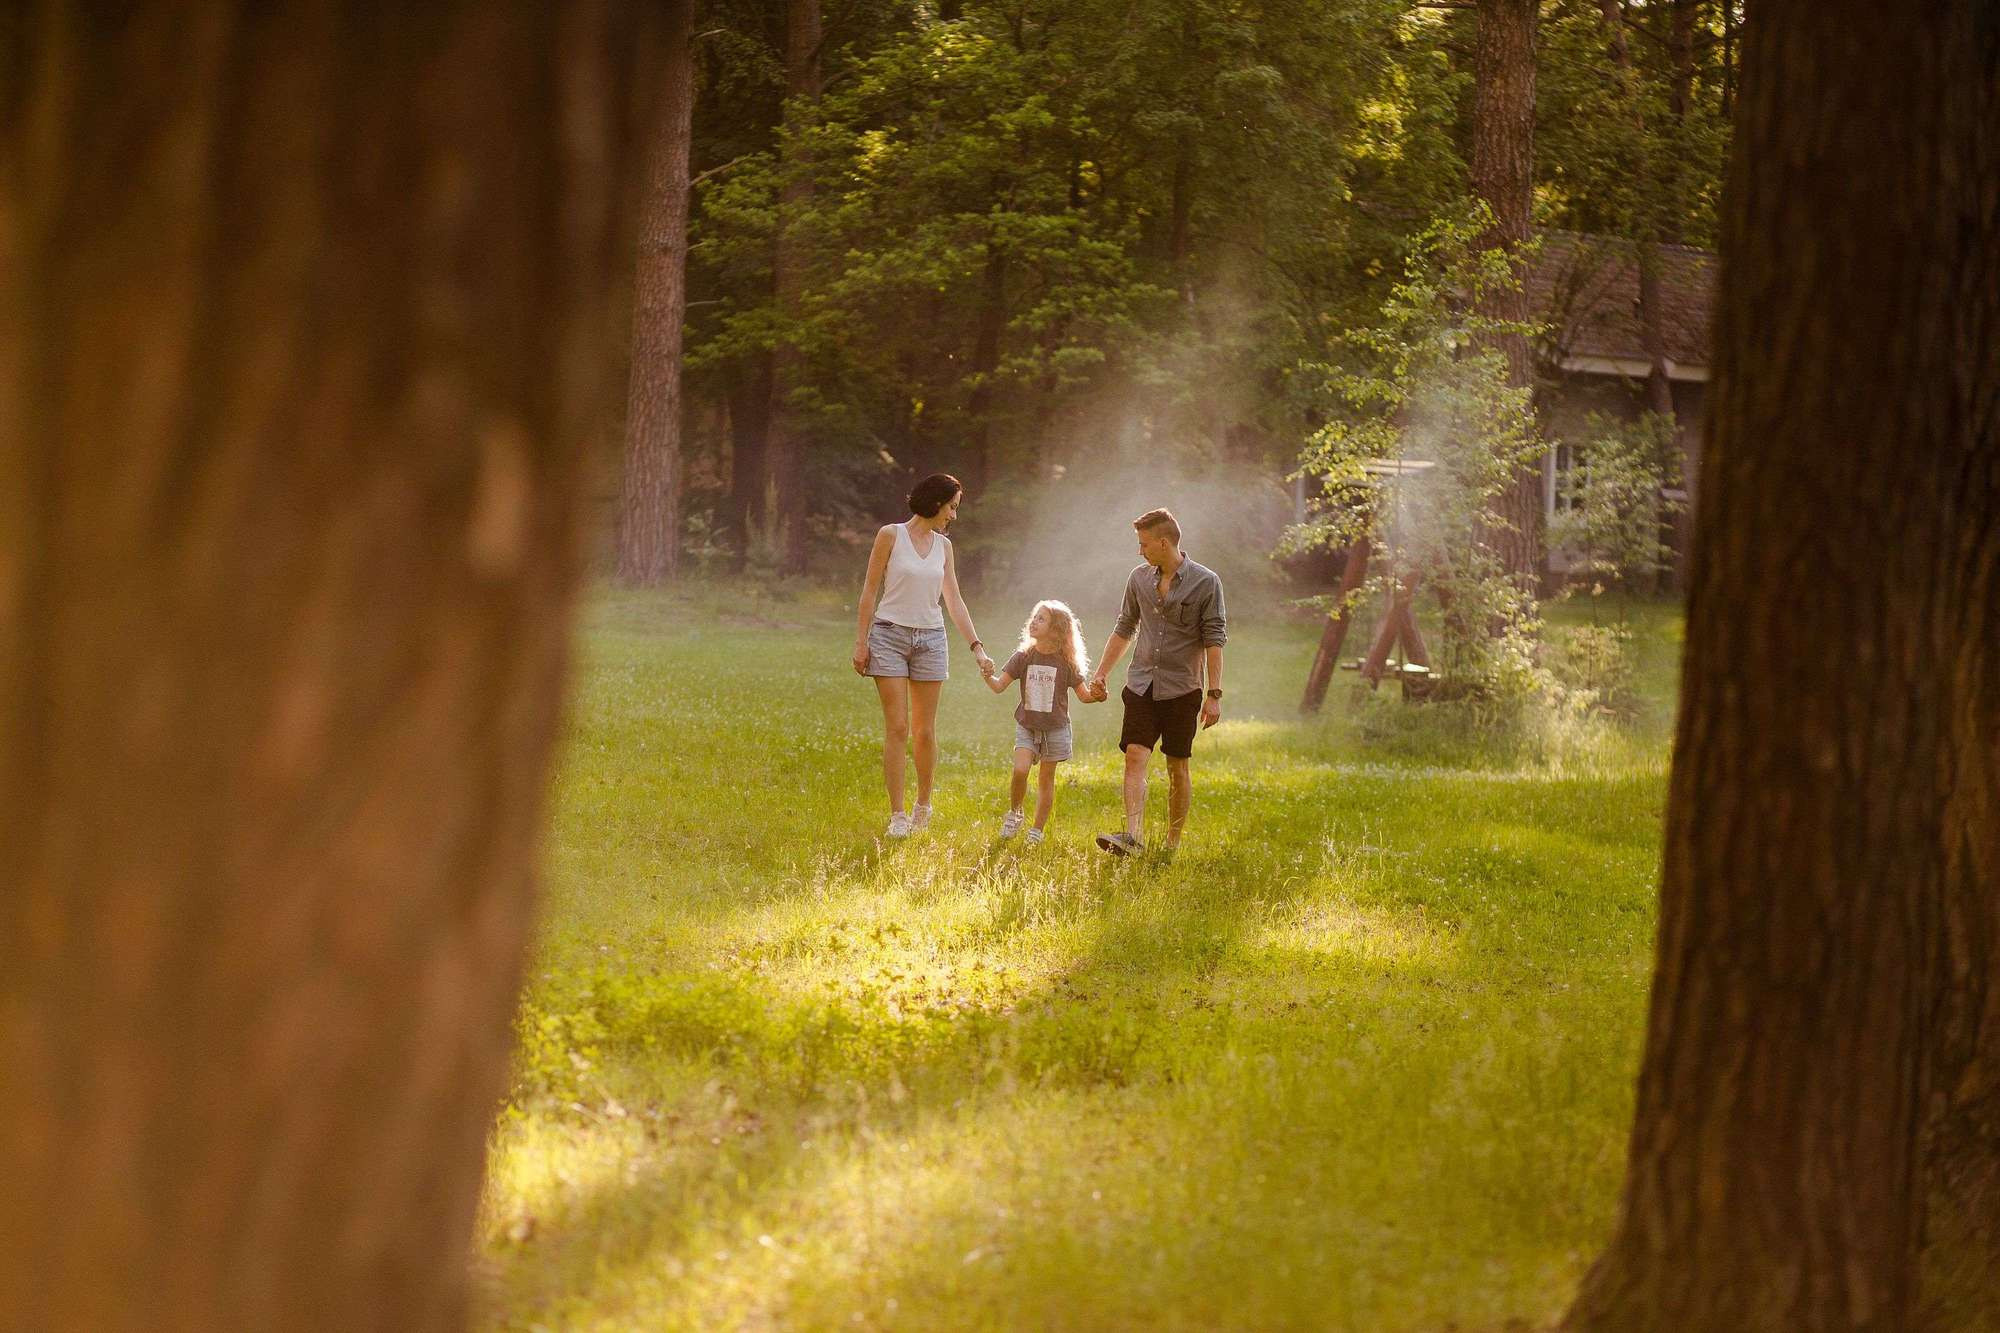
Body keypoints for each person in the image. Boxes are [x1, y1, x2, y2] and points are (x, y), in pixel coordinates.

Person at [852, 473, 994, 838]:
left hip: (931, 639)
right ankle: (897, 814)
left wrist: (977, 648)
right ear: (935, 503)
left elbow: (954, 600)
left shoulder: (944, 547)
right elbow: (870, 590)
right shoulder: (890, 535)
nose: (954, 516)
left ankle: (923, 805)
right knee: (898, 728)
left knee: (924, 732)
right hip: (888, 636)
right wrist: (861, 641)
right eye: (952, 507)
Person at [1088, 509, 1226, 858]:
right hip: (1141, 684)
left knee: (1177, 766)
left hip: (1183, 689)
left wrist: (1214, 695)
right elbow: (1124, 628)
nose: (1140, 551)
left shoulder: (1206, 582)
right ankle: (1133, 836)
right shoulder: (1138, 579)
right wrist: (1101, 672)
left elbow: (1214, 640)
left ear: (1164, 543)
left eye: (1144, 544)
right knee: (1135, 755)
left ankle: (1171, 845)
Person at [981, 600, 1104, 845]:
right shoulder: (1023, 657)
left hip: (1056, 729)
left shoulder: (1066, 662)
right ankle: (1015, 814)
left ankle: (1036, 830)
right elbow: (998, 686)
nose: (1034, 622)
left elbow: (1084, 695)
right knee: (1020, 770)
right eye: (1034, 617)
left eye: (1041, 619)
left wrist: (1098, 696)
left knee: (1046, 780)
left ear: (1057, 629)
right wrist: (987, 675)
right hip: (1027, 725)